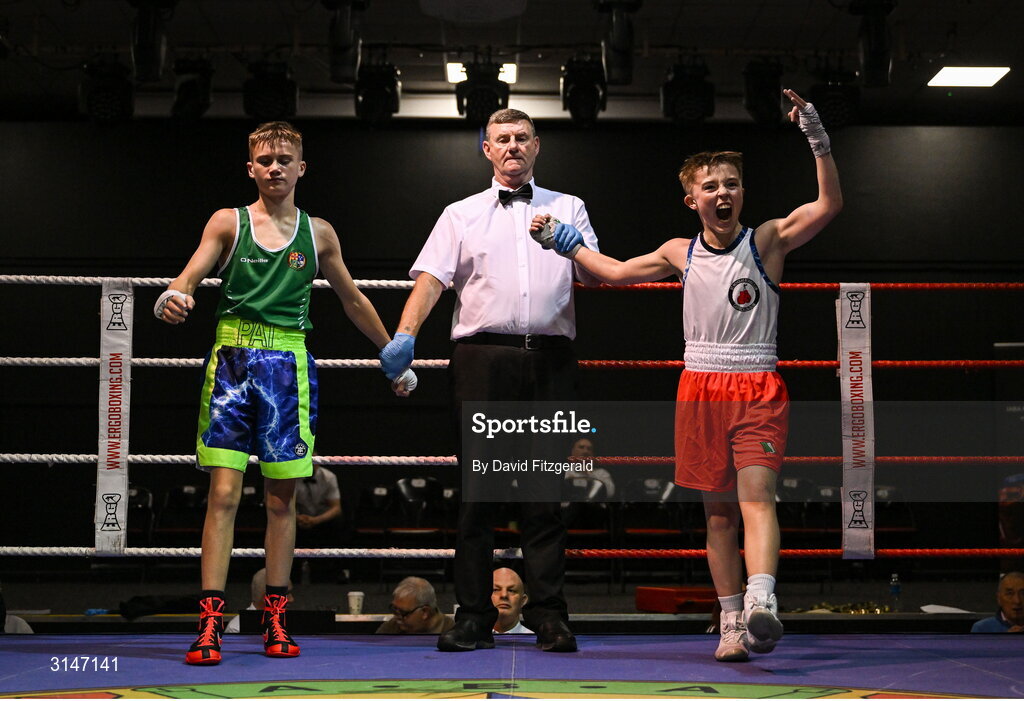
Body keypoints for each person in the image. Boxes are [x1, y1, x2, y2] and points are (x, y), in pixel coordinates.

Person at [530, 89, 841, 662]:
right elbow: (618, 273)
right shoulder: (680, 251)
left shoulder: (767, 241)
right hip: (699, 385)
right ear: (691, 198)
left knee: (757, 498)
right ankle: (729, 622)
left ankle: (762, 601)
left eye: (731, 183)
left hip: (756, 385)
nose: (723, 193)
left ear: (741, 192)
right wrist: (566, 244)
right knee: (718, 514)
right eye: (711, 185)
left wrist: (816, 137)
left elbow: (826, 205)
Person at [156, 121, 415, 666]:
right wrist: (174, 298)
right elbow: (189, 276)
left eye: (284, 159)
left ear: (302, 168)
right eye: (265, 159)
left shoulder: (317, 233)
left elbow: (351, 299)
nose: (275, 167)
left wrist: (392, 351)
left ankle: (275, 617)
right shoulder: (228, 222)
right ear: (250, 167)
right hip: (231, 361)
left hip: (288, 365)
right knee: (223, 495)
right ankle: (211, 624)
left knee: (282, 500)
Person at [378, 108, 600, 653]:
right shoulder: (460, 214)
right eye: (502, 139)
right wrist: (404, 335)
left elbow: (597, 273)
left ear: (537, 145)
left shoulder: (568, 207)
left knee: (547, 494)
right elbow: (431, 282)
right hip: (482, 361)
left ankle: (550, 616)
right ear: (486, 149)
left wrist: (573, 245)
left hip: (550, 360)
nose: (513, 146)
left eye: (522, 138)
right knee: (478, 496)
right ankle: (473, 616)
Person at [375, 577, 455, 635]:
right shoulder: (391, 628)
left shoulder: (451, 632)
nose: (397, 617)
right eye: (394, 609)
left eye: (403, 612)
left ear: (425, 612)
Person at [223, 568, 293, 634]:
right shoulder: (237, 629)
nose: (292, 599)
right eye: (286, 594)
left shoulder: (288, 623)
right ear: (266, 598)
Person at [295, 462, 343, 547]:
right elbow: (284, 505)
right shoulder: (291, 476)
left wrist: (316, 520)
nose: (311, 463)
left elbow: (336, 508)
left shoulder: (328, 477)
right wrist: (297, 518)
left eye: (314, 460)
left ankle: (330, 557)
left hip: (320, 517)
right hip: (297, 515)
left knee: (337, 520)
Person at [492, 567, 532, 634]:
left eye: (511, 590)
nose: (504, 595)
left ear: (523, 600)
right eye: (496, 590)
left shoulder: (534, 641)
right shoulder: (472, 639)